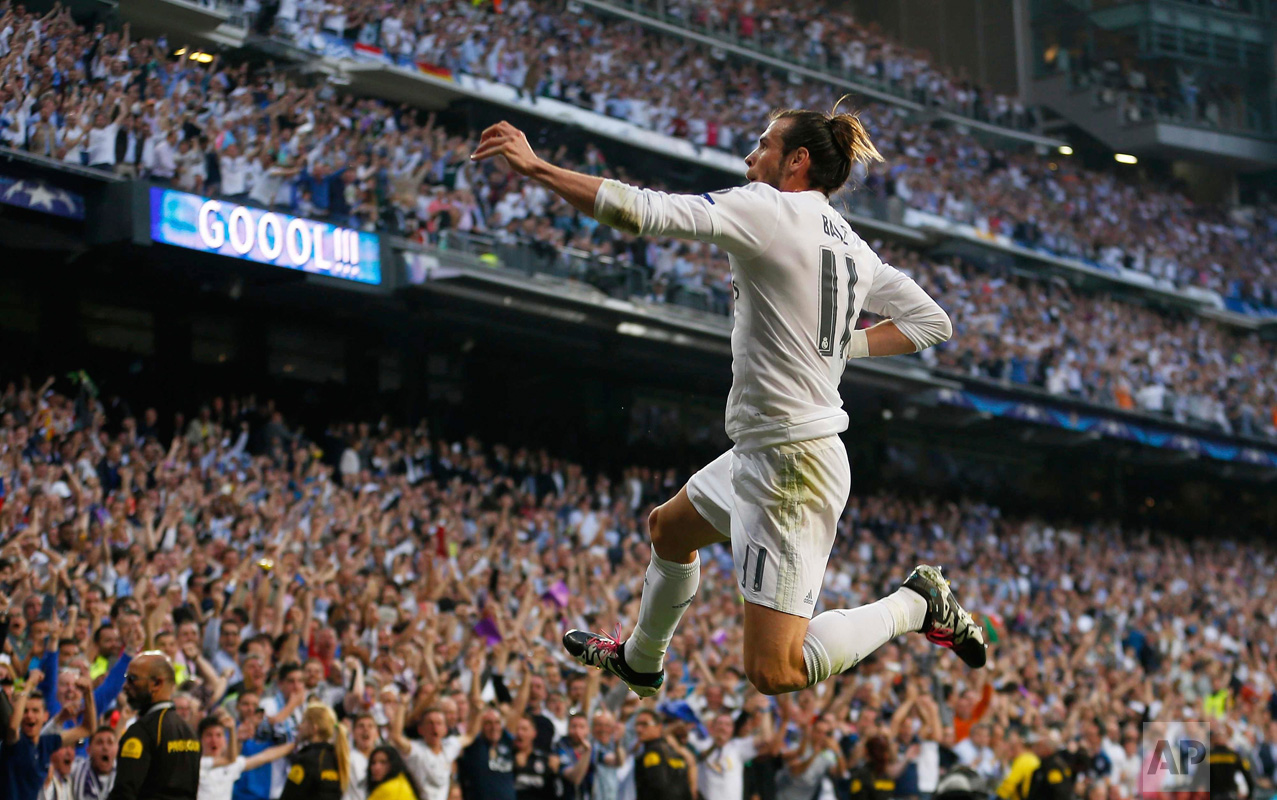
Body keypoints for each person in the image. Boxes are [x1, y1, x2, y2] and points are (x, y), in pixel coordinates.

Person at [470, 104, 984, 698]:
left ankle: (915, 605)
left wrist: (536, 168)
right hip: (769, 448)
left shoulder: (768, 208)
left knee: (775, 670)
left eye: (763, 145)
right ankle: (641, 660)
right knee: (669, 528)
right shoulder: (852, 246)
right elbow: (932, 322)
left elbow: (642, 212)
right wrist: (839, 346)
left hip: (791, 465)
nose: (749, 158)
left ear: (797, 161)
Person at [107, 652, 200, 800]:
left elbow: (124, 792)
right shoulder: (189, 731)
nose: (125, 686)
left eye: (132, 679)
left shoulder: (142, 731)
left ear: (157, 683)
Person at [4, 673, 97, 800]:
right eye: (25, 711)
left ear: (45, 716)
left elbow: (88, 728)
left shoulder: (46, 744)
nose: (30, 716)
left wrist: (88, 693)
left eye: (35, 711)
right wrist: (29, 685)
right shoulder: (14, 742)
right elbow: (13, 727)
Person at [197, 712, 297, 800]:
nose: (214, 740)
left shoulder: (231, 765)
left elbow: (265, 756)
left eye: (219, 735)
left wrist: (296, 743)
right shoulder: (197, 763)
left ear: (224, 739)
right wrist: (232, 730)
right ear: (200, 739)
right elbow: (229, 759)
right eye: (209, 735)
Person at [387, 700, 462, 800]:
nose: (434, 727)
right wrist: (402, 705)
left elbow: (471, 734)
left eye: (438, 723)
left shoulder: (450, 747)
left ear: (445, 729)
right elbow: (396, 737)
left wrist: (478, 711)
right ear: (420, 729)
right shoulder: (416, 750)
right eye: (430, 723)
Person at [279, 704, 350, 800]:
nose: (299, 727)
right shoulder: (337, 757)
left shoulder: (306, 759)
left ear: (314, 728)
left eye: (303, 721)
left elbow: (289, 796)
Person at [632, 709, 696, 800]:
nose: (639, 729)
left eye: (644, 724)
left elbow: (659, 787)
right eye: (637, 725)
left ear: (659, 727)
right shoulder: (675, 750)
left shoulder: (653, 752)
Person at [511, 713, 560, 799]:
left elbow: (557, 793)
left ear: (534, 733)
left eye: (524, 729)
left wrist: (554, 773)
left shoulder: (544, 760)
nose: (519, 733)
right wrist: (515, 768)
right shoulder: (506, 757)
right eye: (517, 729)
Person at [70, 727, 118, 800]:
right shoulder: (76, 769)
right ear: (89, 750)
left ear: (117, 749)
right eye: (99, 742)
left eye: (110, 742)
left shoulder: (124, 773)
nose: (105, 747)